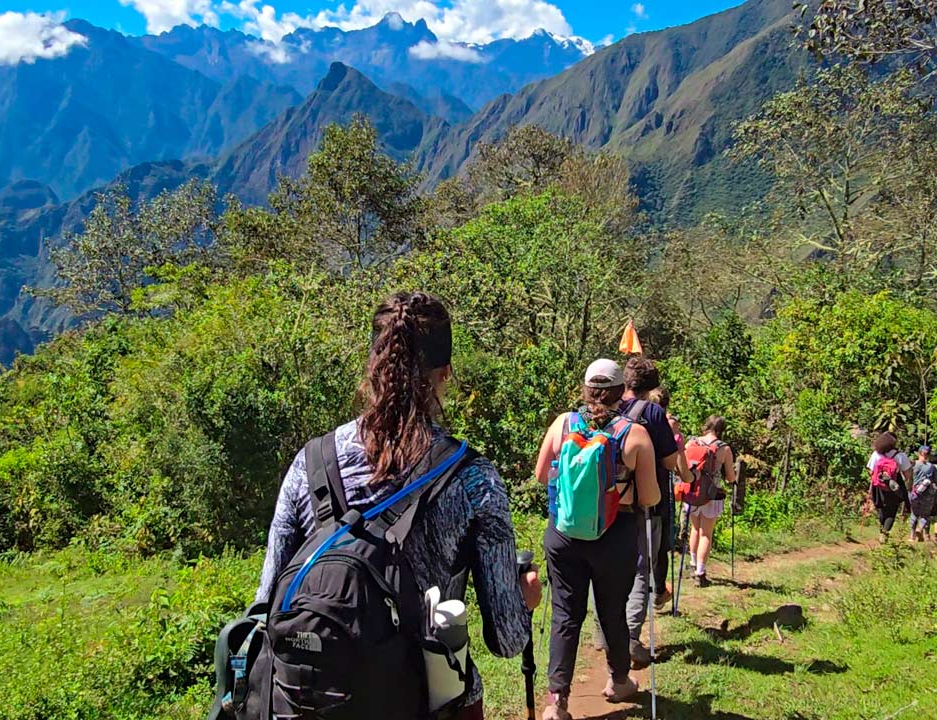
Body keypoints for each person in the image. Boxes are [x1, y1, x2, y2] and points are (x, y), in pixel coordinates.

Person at [255, 292, 541, 719]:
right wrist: (526, 596)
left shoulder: (310, 463)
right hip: (431, 700)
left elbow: (265, 605)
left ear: (372, 366)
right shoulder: (472, 477)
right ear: (445, 374)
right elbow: (507, 638)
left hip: (311, 698)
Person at [533, 358, 661, 720]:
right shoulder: (635, 434)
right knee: (611, 612)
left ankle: (557, 702)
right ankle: (618, 681)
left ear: (586, 391)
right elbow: (650, 498)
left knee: (565, 615)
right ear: (622, 392)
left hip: (564, 532)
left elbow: (543, 475)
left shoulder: (563, 424)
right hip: (614, 533)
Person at [618, 356, 690, 668]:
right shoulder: (653, 412)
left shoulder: (607, 405)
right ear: (652, 387)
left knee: (610, 568)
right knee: (639, 568)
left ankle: (602, 633)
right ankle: (630, 640)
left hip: (610, 501)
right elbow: (669, 462)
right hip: (648, 502)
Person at [685, 416, 737, 586]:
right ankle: (700, 572)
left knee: (694, 529)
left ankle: (692, 564)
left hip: (692, 491)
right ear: (722, 429)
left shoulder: (691, 442)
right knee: (706, 533)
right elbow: (730, 477)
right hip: (711, 494)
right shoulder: (724, 449)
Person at [867, 433, 904, 543]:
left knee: (881, 509)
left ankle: (882, 530)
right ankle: (885, 533)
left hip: (878, 486)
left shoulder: (876, 454)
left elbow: (870, 470)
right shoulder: (900, 455)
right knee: (892, 511)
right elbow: (908, 474)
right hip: (894, 486)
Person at [908, 445, 937, 543]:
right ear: (928, 455)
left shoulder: (914, 464)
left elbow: (908, 478)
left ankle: (912, 535)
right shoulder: (931, 467)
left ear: (919, 453)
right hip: (928, 494)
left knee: (914, 514)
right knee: (925, 515)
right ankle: (920, 528)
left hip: (915, 493)